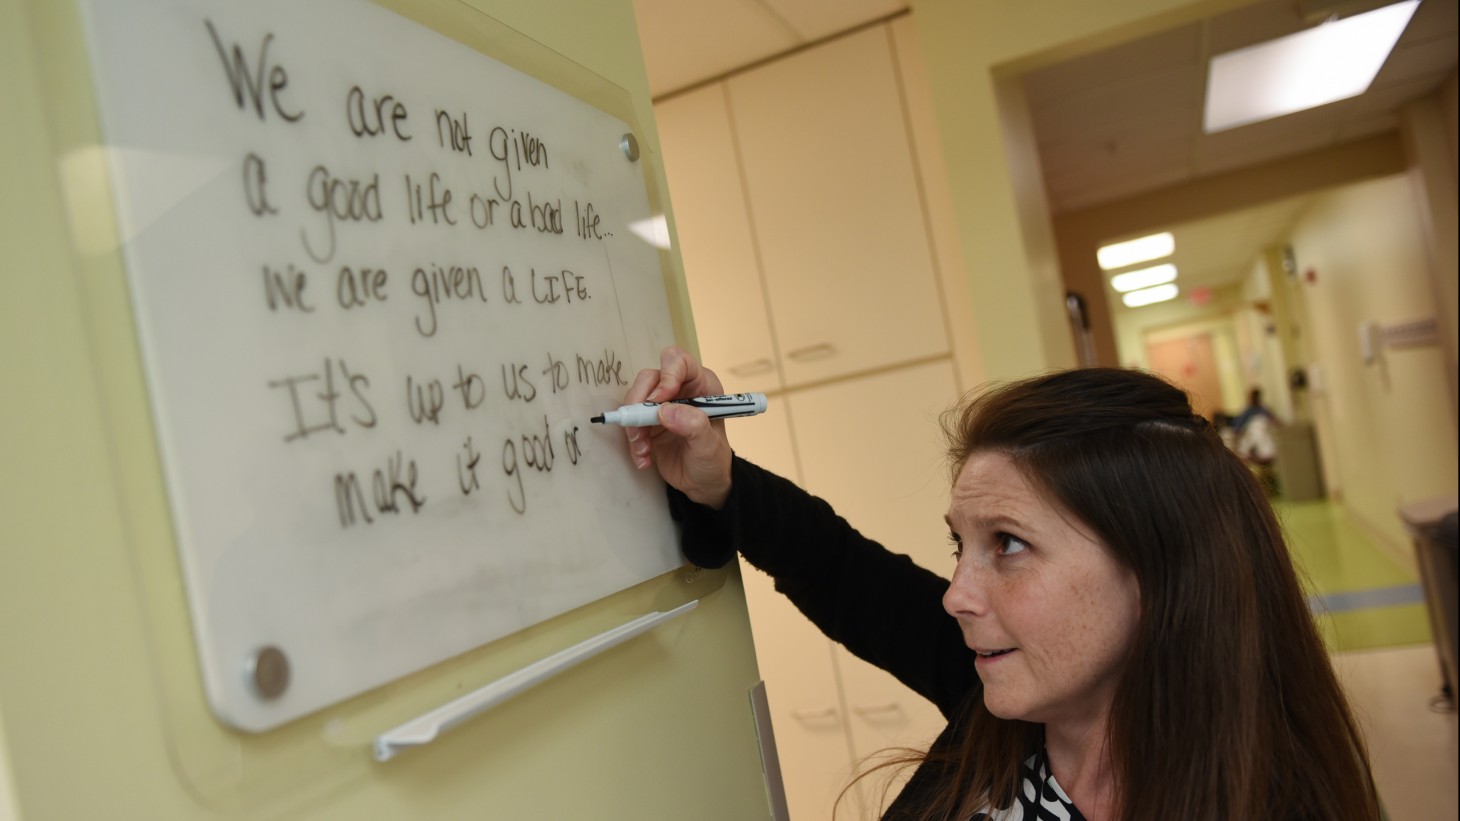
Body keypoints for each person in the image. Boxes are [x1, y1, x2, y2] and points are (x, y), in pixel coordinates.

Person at [620, 347, 1378, 821]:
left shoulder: (1272, 798)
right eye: (962, 544)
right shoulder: (998, 701)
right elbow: (838, 566)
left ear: (1158, 570)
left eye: (1008, 545)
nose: (957, 592)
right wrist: (715, 476)